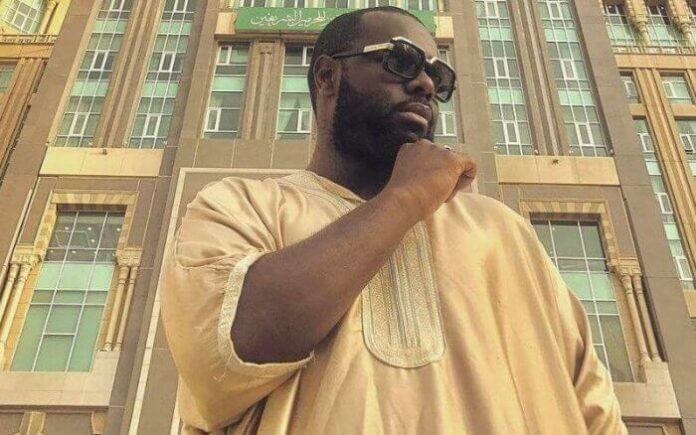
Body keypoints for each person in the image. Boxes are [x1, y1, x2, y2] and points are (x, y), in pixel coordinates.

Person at [161, 6, 627, 434]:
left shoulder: (502, 231)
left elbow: (595, 410)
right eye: (401, 61)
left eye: (437, 76)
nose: (425, 84)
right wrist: (406, 198)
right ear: (328, 76)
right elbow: (225, 350)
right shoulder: (240, 206)